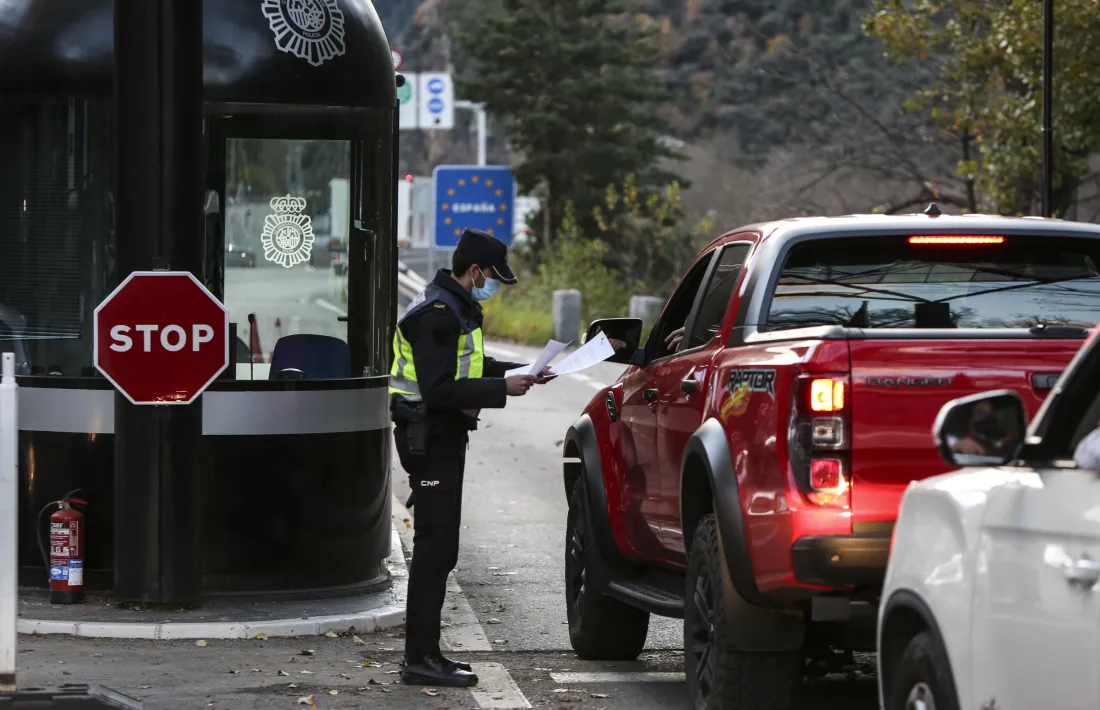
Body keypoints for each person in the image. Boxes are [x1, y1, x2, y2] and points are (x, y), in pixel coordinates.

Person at [389, 228, 549, 688]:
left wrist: (523, 372)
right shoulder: (438, 314)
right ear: (474, 270)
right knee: (435, 550)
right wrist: (503, 388)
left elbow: (469, 367)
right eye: (492, 276)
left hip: (443, 439)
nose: (493, 285)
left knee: (442, 549)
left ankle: (428, 653)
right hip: (429, 438)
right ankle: (419, 658)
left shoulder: (454, 308)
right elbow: (440, 391)